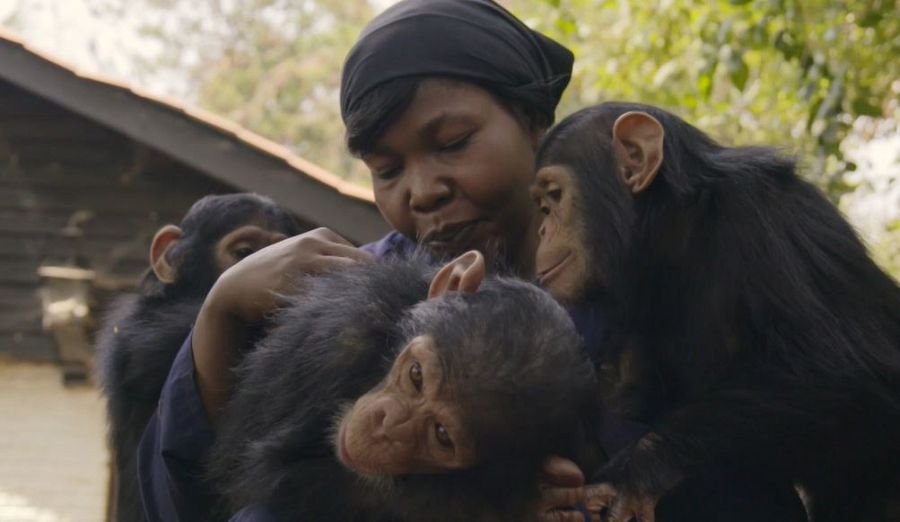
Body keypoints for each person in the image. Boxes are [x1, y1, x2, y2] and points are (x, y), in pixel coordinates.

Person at [136, 1, 806, 521]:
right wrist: (219, 315)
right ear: (448, 291)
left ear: (535, 121)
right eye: (386, 168)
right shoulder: (355, 295)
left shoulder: (655, 278)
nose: (421, 189)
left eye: (452, 142)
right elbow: (207, 496)